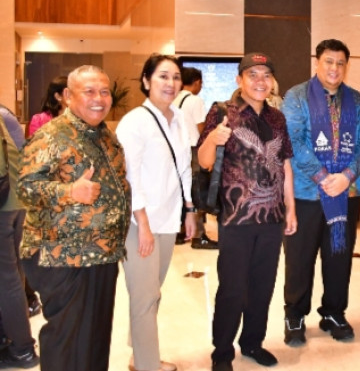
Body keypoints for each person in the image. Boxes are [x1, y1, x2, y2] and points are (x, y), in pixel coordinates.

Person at [18, 65, 131, 371]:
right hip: (63, 256)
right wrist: (69, 191)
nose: (99, 98)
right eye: (89, 91)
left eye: (104, 92)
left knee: (95, 338)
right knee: (66, 341)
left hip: (101, 254)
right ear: (68, 96)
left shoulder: (104, 136)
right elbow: (26, 187)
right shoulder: (52, 135)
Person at [198, 53, 297, 371]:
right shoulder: (221, 112)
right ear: (239, 80)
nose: (260, 81)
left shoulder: (277, 118)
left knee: (262, 285)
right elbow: (203, 161)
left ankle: (253, 342)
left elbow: (285, 165)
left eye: (266, 75)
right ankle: (222, 352)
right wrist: (213, 139)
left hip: (271, 218)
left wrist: (291, 208)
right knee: (232, 288)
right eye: (252, 74)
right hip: (235, 218)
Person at [281, 39, 360, 346]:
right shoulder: (296, 96)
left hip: (345, 193)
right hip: (306, 194)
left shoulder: (356, 100)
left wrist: (346, 176)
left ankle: (333, 312)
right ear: (317, 63)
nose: (334, 68)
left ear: (347, 66)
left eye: (340, 63)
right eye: (329, 61)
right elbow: (293, 141)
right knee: (299, 259)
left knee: (339, 257)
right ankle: (295, 315)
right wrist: (323, 177)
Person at [116, 55, 198, 371]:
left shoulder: (178, 118)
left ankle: (138, 354)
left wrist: (189, 209)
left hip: (168, 218)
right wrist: (143, 224)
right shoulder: (135, 122)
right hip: (140, 223)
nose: (171, 83)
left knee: (152, 293)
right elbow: (129, 177)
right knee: (144, 297)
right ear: (146, 80)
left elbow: (184, 168)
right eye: (163, 76)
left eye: (175, 77)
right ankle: (148, 365)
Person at [0, 105, 38, 368]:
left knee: (7, 280)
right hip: (14, 200)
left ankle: (22, 348)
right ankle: (10, 335)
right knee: (13, 275)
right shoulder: (3, 115)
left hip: (3, 206)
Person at [173, 66, 218, 249]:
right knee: (199, 191)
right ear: (197, 82)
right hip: (193, 151)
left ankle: (180, 231)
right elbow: (202, 128)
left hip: (176, 151)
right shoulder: (195, 100)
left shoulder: (173, 98)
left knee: (181, 191)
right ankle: (199, 236)